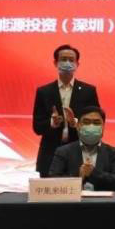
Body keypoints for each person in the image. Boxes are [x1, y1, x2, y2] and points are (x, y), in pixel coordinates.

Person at [32, 44, 100, 177]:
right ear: (55, 63)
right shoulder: (44, 92)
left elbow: (98, 122)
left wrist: (76, 123)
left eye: (71, 60)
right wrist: (52, 123)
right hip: (50, 156)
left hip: (80, 155)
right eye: (63, 59)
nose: (67, 63)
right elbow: (37, 127)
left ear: (77, 64)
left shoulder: (88, 91)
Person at [49, 106, 115, 191]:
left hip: (102, 199)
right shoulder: (63, 151)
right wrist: (78, 177)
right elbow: (53, 181)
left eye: (96, 123)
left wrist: (93, 173)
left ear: (103, 126)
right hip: (74, 199)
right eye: (86, 122)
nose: (91, 126)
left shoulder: (114, 153)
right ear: (78, 126)